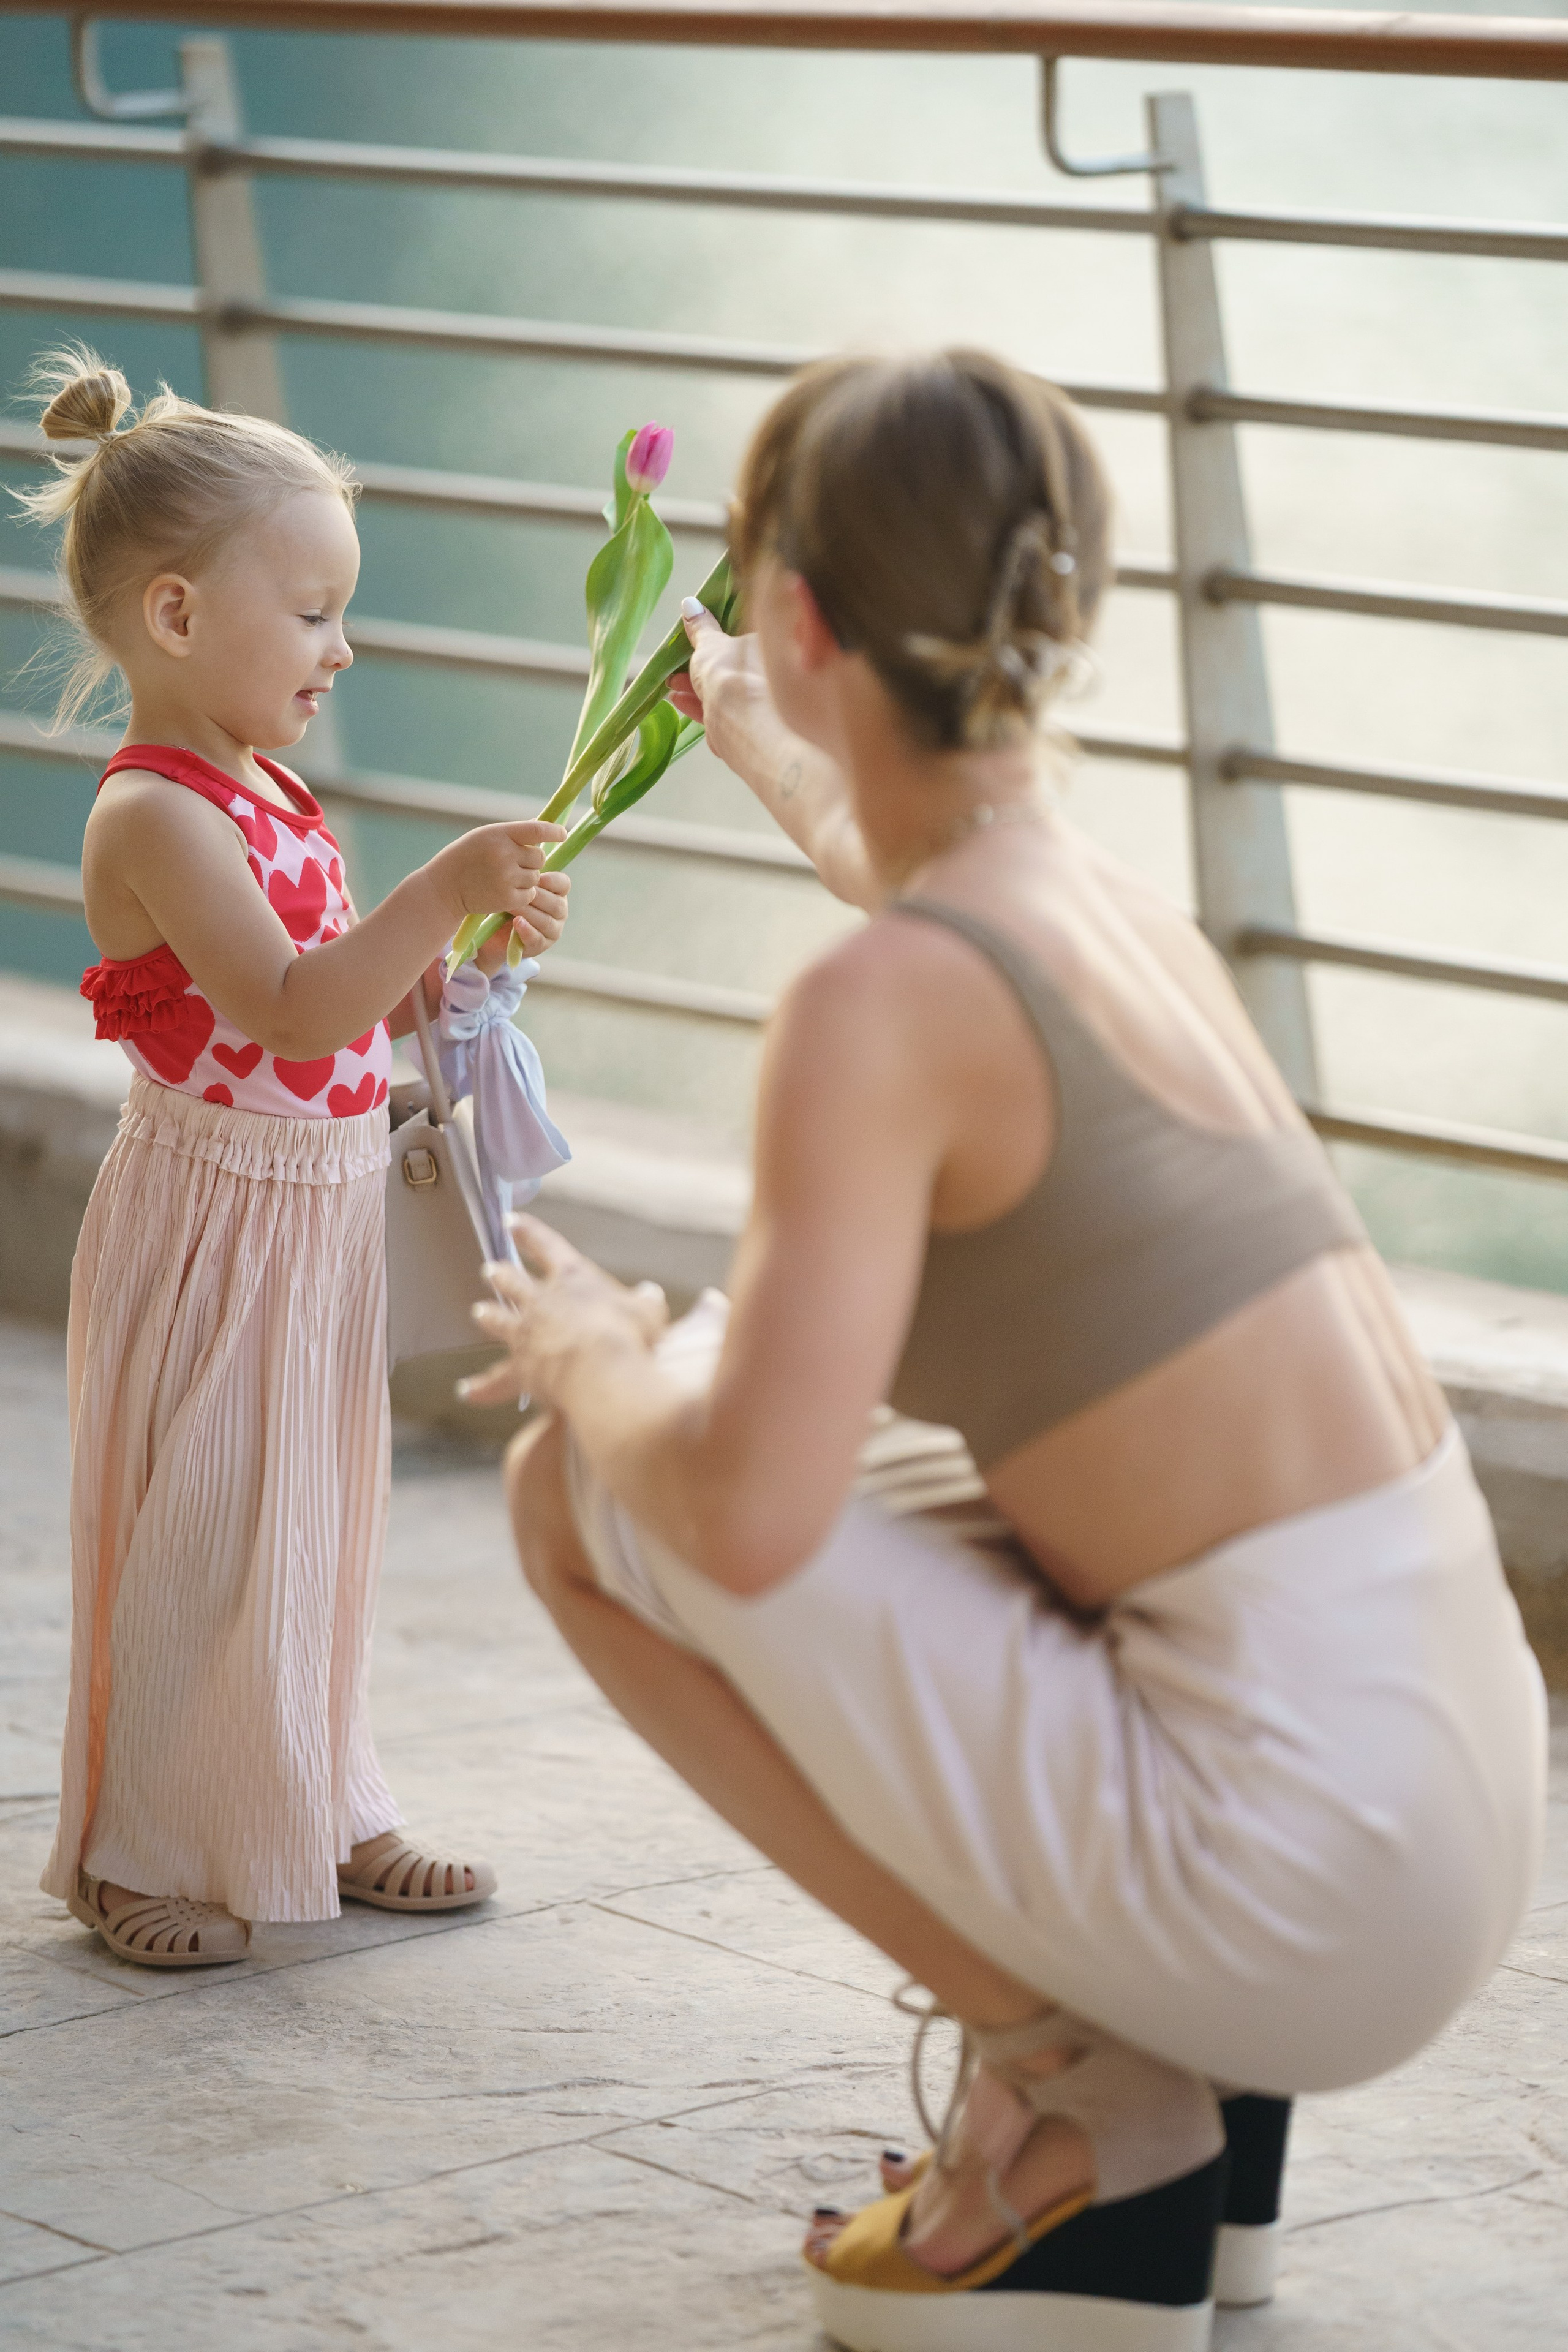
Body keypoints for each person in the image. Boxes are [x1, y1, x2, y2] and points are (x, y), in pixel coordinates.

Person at [466, 350, 1547, 2351]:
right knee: (797, 1435)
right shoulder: (1102, 907)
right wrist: (767, 754)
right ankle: (1196, 2094)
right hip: (1446, 1805)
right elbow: (924, 892)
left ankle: (1081, 2083)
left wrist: (596, 1349)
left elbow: (743, 1511)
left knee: (591, 1493)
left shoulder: (881, 1008)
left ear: (800, 618)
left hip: (1294, 1878)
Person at [26, 350, 571, 1966]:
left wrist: (451, 956)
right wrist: (441, 880)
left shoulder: (267, 786)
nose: (346, 646)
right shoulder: (154, 816)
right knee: (202, 1538)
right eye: (318, 610)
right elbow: (272, 1006)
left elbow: (351, 989)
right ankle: (136, 1849)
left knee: (315, 1530)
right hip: (214, 1227)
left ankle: (319, 1801)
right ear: (181, 620)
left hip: (313, 1215)